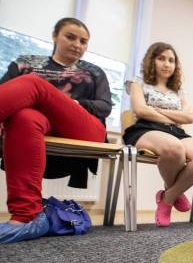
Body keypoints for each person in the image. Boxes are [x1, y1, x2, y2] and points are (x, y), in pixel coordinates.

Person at [0, 18, 110, 243]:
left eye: (83, 41)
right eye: (70, 37)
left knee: (34, 84)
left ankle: (26, 216)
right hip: (40, 125)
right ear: (55, 35)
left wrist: (71, 103)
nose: (77, 44)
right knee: (24, 117)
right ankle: (26, 217)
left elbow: (105, 106)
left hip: (84, 127)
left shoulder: (94, 72)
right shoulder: (26, 62)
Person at [123, 42, 193, 227]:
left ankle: (168, 197)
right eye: (161, 58)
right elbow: (141, 110)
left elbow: (189, 117)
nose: (167, 64)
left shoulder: (179, 91)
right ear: (151, 60)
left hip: (175, 131)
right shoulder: (137, 83)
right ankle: (175, 193)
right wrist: (174, 116)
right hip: (145, 128)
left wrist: (158, 111)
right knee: (174, 148)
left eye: (171, 60)